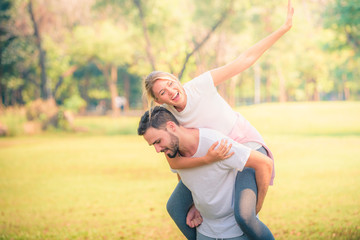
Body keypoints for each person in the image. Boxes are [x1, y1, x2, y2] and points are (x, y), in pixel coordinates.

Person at [142, 1, 294, 239]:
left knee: (244, 216)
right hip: (216, 157)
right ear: (159, 101)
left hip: (245, 148)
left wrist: (283, 28)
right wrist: (195, 198)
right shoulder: (170, 120)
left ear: (175, 78)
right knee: (175, 207)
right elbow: (178, 161)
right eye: (162, 92)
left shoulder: (200, 86)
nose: (171, 91)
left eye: (170, 83)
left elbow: (243, 60)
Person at [138, 107, 273, 240]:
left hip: (234, 231)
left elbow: (264, 163)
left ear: (171, 126)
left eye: (158, 141)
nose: (157, 150)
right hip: (206, 231)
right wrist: (192, 203)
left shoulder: (216, 145)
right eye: (153, 145)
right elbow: (182, 174)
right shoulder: (173, 153)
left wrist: (255, 209)